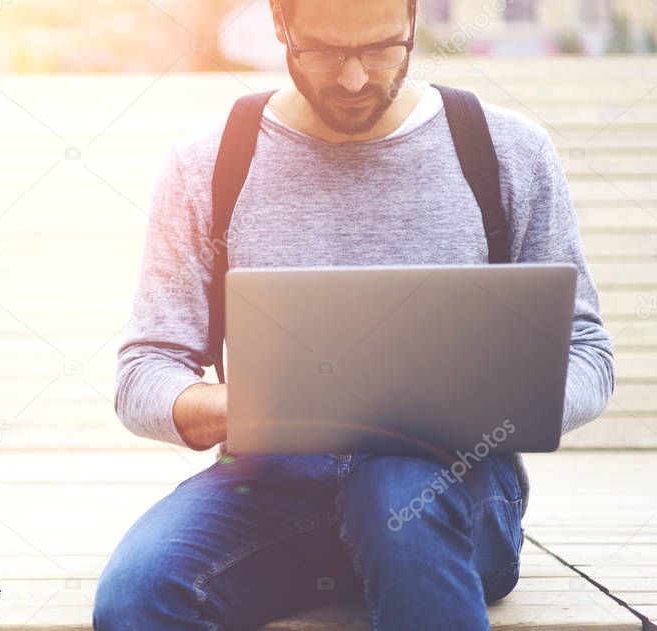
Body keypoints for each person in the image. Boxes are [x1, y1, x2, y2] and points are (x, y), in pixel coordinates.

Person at [94, 1, 616, 629]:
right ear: (281, 25)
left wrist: (509, 405)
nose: (352, 79)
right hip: (275, 486)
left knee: (395, 487)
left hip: (454, 486)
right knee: (137, 595)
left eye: (379, 49)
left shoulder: (507, 150)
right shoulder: (208, 163)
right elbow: (147, 370)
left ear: (414, 21)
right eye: (323, 52)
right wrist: (241, 407)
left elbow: (585, 349)